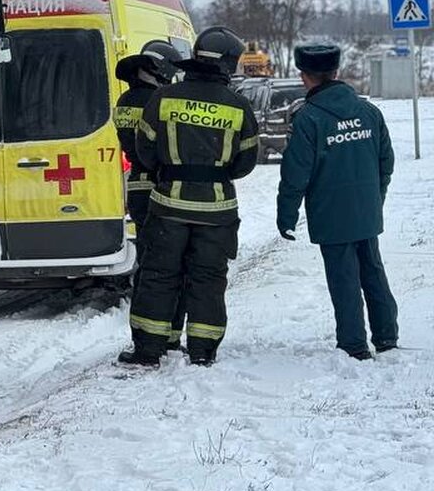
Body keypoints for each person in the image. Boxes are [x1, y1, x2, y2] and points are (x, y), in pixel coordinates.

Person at [119, 27, 259, 367]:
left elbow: (145, 150)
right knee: (208, 278)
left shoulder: (163, 99)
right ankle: (202, 350)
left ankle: (148, 350)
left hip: (167, 206)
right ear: (227, 64)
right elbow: (244, 164)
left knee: (158, 274)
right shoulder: (239, 106)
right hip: (217, 211)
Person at [276, 42, 397, 360]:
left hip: (331, 214)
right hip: (366, 209)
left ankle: (354, 345)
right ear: (336, 72)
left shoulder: (309, 119)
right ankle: (386, 337)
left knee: (344, 278)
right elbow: (386, 160)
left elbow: (295, 174)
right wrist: (376, 197)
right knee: (373, 270)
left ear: (305, 77)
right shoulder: (369, 112)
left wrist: (286, 216)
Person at [114, 43, 183, 340]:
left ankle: (143, 332)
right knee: (168, 263)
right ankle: (165, 331)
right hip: (160, 186)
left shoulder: (125, 100)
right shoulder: (159, 100)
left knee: (147, 258)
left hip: (137, 188)